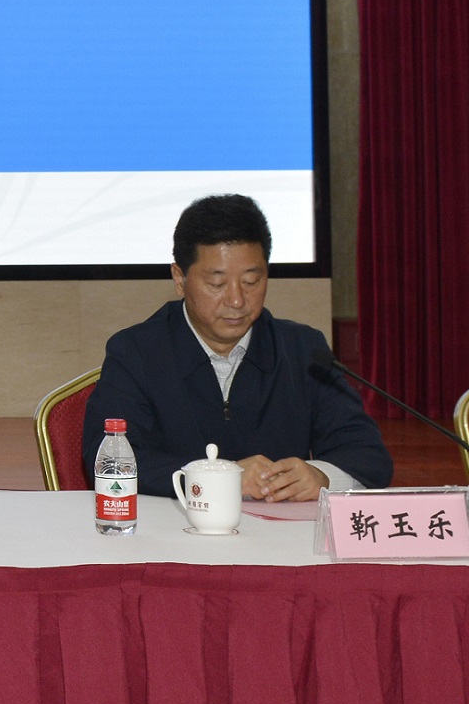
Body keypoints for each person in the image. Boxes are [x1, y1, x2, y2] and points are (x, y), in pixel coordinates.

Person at [89, 194, 391, 501]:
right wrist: (219, 478)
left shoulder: (303, 351)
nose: (236, 300)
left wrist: (322, 476)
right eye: (217, 284)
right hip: (173, 528)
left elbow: (368, 454)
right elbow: (111, 461)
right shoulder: (136, 353)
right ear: (180, 279)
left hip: (279, 530)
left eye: (251, 281)